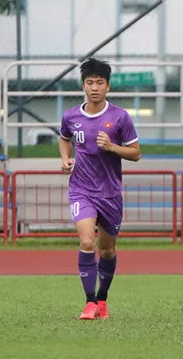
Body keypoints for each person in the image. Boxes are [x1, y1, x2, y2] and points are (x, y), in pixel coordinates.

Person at [59, 58, 141, 320]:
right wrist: (65, 158)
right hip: (81, 189)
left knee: (106, 250)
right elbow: (64, 138)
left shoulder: (120, 117)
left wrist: (113, 148)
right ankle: (89, 302)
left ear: (108, 86)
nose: (94, 87)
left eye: (100, 83)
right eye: (89, 82)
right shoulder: (71, 115)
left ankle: (103, 300)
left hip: (110, 193)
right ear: (83, 85)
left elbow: (136, 153)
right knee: (86, 242)